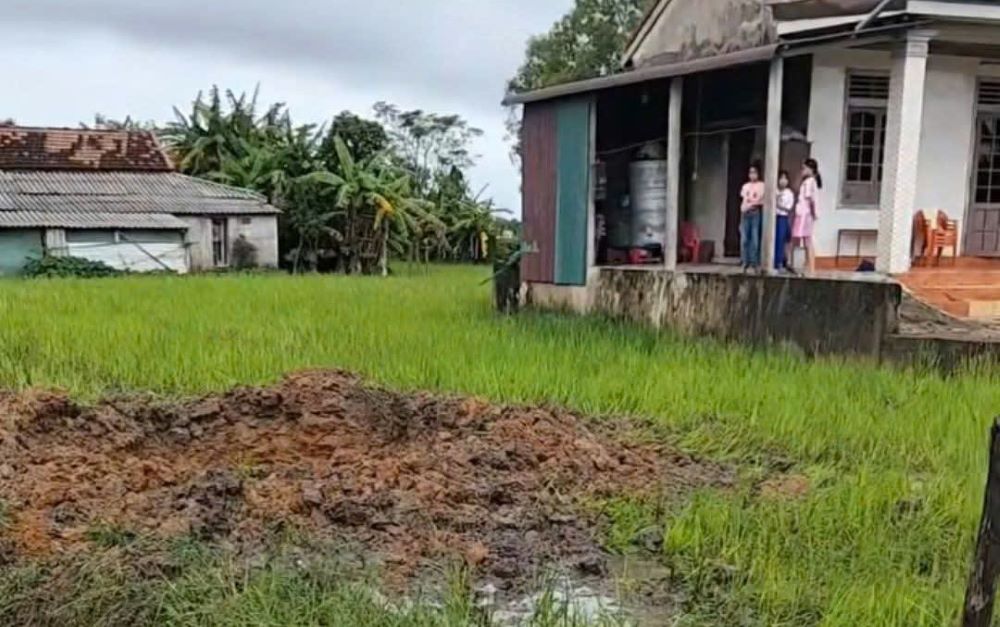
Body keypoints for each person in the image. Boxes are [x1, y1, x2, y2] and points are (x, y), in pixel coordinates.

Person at [792, 158, 823, 276]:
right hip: (803, 213)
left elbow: (810, 200)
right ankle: (806, 266)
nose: (802, 170)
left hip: (805, 214)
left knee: (807, 241)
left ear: (811, 169)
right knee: (804, 241)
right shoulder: (808, 181)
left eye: (804, 168)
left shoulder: (809, 182)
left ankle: (811, 268)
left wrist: (813, 213)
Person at [740, 162, 765, 272]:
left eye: (754, 172)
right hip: (745, 213)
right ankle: (745, 261)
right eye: (750, 173)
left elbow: (760, 200)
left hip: (755, 212)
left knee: (754, 238)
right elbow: (744, 199)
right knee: (745, 238)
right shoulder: (745, 186)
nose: (752, 175)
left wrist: (752, 203)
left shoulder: (762, 185)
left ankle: (754, 262)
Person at [775, 170, 795, 272]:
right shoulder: (774, 191)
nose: (783, 181)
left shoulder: (789, 193)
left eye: (785, 178)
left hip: (783, 217)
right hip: (774, 217)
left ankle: (782, 261)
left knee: (783, 240)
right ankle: (776, 262)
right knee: (775, 240)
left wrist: (778, 205)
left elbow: (788, 208)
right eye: (781, 178)